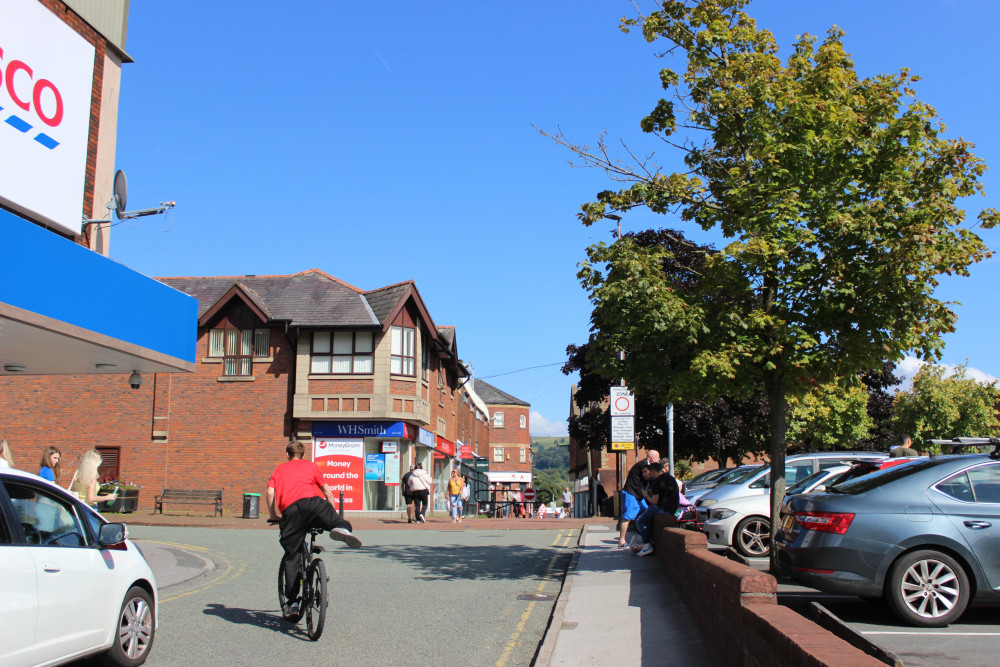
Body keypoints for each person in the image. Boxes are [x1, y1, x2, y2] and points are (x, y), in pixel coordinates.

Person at [267, 440, 361, 619]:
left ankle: (293, 603)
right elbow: (327, 492)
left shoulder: (279, 470)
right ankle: (341, 529)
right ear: (303, 455)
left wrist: (273, 515)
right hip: (314, 504)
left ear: (287, 455)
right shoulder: (311, 466)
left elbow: (270, 493)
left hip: (292, 510)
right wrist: (332, 514)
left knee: (292, 556)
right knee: (337, 522)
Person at [632, 462, 680, 556]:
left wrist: (646, 495)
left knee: (640, 520)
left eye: (650, 473)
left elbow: (654, 502)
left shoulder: (657, 482)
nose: (650, 475)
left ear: (653, 471)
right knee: (648, 519)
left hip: (662, 510)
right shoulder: (670, 478)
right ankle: (648, 542)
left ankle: (647, 544)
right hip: (672, 509)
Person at [619, 449, 660, 547]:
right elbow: (651, 478)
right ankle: (621, 541)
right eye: (658, 458)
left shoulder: (647, 465)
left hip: (639, 495)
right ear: (652, 458)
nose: (659, 460)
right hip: (631, 493)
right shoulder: (644, 466)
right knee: (627, 516)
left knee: (646, 512)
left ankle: (642, 537)